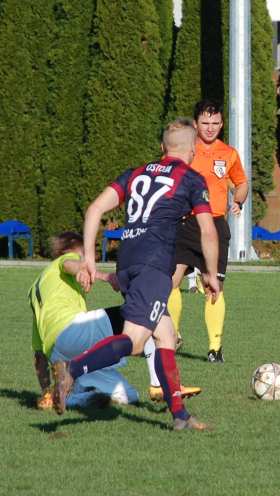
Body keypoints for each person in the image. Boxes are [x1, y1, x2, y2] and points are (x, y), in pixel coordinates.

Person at [52, 118, 221, 432]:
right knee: (134, 340)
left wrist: (89, 258)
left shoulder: (136, 173)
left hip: (127, 263)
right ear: (193, 150)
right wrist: (210, 272)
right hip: (154, 266)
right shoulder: (192, 178)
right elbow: (208, 231)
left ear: (162, 148)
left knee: (165, 336)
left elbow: (93, 210)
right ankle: (72, 372)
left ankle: (180, 416)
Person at [30, 232, 200, 410]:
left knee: (128, 396)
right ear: (68, 250)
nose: (87, 258)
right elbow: (69, 264)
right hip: (73, 331)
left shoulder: (35, 289)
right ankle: (158, 385)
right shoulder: (65, 259)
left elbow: (38, 355)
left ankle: (75, 397)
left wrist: (45, 391)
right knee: (145, 313)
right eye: (84, 253)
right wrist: (98, 274)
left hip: (58, 353)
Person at [168, 99, 248, 363]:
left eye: (215, 123)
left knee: (213, 285)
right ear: (195, 124)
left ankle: (215, 348)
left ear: (222, 124)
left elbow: (242, 182)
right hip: (185, 222)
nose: (210, 128)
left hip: (214, 224)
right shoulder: (184, 150)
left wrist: (238, 200)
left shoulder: (229, 154)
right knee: (171, 280)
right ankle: (172, 336)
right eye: (205, 123)